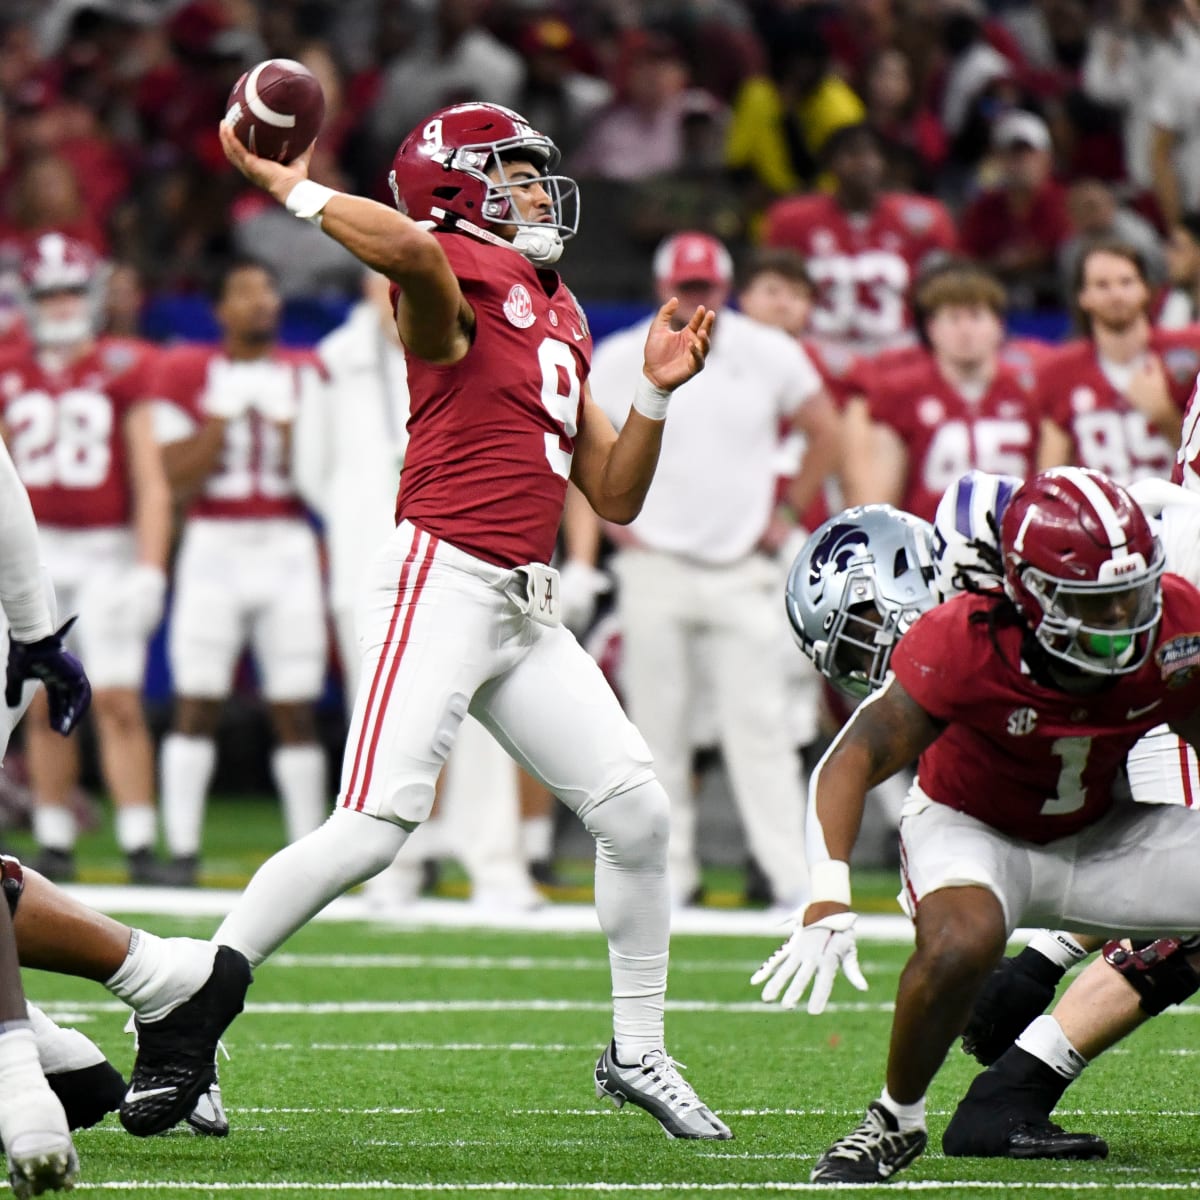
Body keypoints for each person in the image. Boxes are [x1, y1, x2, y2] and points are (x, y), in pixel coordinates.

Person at [118, 100, 731, 1143]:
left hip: (522, 606)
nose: (539, 189)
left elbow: (614, 495)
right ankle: (185, 1014)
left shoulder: (561, 306)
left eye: (539, 172)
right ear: (455, 188)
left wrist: (659, 397)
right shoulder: (443, 272)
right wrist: (288, 185)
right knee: (369, 831)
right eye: (514, 173)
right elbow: (408, 248)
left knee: (637, 814)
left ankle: (636, 1049)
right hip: (441, 578)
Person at [756, 465, 1200, 1184]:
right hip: (975, 829)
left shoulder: (1172, 623)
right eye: (1099, 603)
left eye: (1131, 594)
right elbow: (851, 758)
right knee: (965, 941)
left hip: (1101, 832)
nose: (1125, 619)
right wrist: (827, 891)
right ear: (1030, 595)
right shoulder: (963, 638)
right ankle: (894, 1119)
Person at [580, 230, 839, 908]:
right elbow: (581, 439)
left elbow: (827, 427)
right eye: (687, 289)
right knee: (655, 733)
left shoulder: (768, 351)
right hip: (655, 563)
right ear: (664, 289)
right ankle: (670, 876)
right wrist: (611, 525)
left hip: (740, 566)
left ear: (726, 290)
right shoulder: (618, 356)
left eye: (708, 290)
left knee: (761, 729)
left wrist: (786, 512)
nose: (698, 302)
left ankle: (791, 877)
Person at [297, 268, 540, 911]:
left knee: (484, 711)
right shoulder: (333, 361)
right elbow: (311, 470)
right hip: (369, 558)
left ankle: (495, 866)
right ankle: (388, 874)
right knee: (382, 719)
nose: (395, 293)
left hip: (459, 554)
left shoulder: (468, 341)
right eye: (384, 280)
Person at [152, 257, 329, 886]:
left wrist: (289, 431)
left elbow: (322, 478)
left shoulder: (308, 374)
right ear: (221, 309)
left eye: (269, 290)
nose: (262, 302)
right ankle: (182, 851)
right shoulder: (185, 371)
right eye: (246, 291)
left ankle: (312, 861)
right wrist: (221, 420)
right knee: (196, 699)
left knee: (297, 706)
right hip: (214, 541)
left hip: (286, 540)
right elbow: (174, 478)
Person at [0, 231, 170, 883]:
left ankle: (139, 842)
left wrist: (151, 566)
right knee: (40, 695)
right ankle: (53, 838)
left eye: (72, 290)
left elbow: (150, 477)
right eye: (50, 293)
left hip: (106, 551)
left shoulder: (123, 364)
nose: (62, 304)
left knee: (119, 698)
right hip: (37, 555)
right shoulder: (12, 365)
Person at [843, 262, 1038, 522]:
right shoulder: (904, 393)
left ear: (998, 325)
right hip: (930, 543)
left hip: (1014, 542)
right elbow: (880, 500)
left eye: (975, 315)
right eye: (953, 318)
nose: (965, 330)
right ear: (932, 328)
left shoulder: (1030, 391)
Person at [762, 123, 957, 356]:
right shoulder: (792, 220)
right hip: (818, 351)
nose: (864, 162)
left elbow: (946, 292)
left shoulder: (921, 219)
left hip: (897, 351)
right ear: (831, 164)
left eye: (872, 154)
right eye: (852, 154)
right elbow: (770, 289)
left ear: (884, 163)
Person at [1037, 240, 1200, 485]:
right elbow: (1049, 477)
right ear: (1083, 296)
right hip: (1097, 516)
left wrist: (1163, 414)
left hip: (1179, 513)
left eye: (1126, 282)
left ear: (1146, 288)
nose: (1116, 294)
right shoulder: (1059, 371)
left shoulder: (1189, 352)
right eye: (1102, 285)